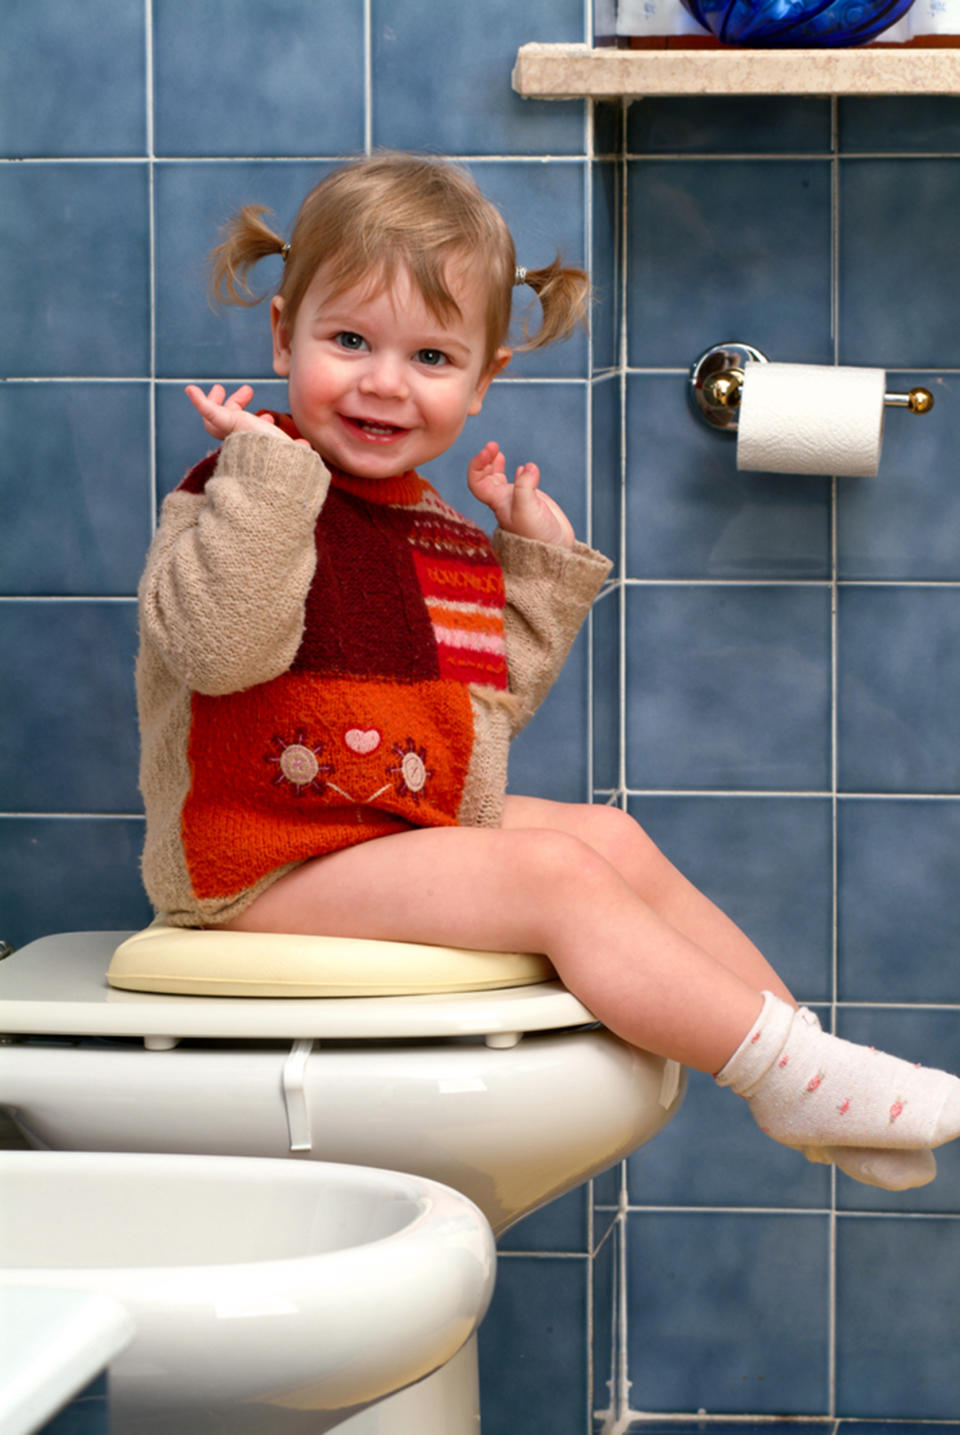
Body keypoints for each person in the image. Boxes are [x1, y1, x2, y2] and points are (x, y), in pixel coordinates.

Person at [137, 151, 960, 1193]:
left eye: (432, 357)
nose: (385, 382)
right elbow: (223, 646)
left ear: (483, 384)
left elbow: (473, 729)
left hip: (376, 826)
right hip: (254, 860)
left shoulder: (429, 531)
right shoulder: (232, 493)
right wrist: (265, 475)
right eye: (348, 340)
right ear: (282, 334)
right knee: (553, 876)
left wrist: (529, 571)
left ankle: (806, 1062)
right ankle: (788, 1074)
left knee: (607, 836)